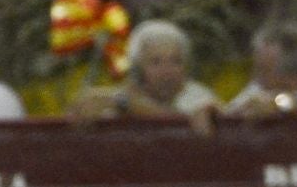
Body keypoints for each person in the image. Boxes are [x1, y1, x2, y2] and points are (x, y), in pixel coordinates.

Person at [66, 18, 218, 120]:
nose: (167, 71)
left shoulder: (199, 97)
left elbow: (178, 125)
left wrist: (126, 104)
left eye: (176, 61)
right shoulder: (118, 99)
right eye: (155, 62)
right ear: (138, 69)